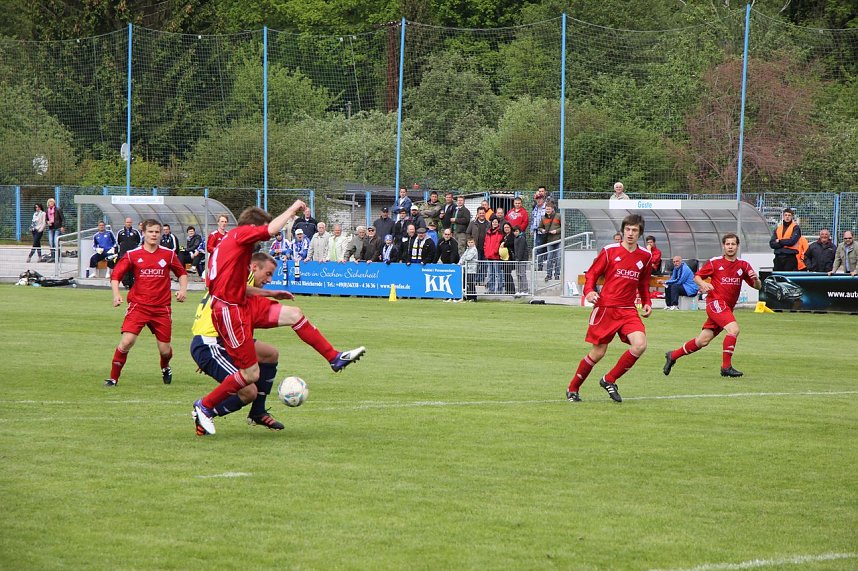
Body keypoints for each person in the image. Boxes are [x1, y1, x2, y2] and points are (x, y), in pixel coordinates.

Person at [192, 202, 366, 436]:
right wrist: (293, 209)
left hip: (240, 304)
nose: (261, 238)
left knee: (293, 316)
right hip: (229, 311)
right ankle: (204, 406)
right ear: (251, 227)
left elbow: (235, 288)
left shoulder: (231, 247)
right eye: (259, 230)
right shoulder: (239, 235)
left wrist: (271, 293)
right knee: (250, 376)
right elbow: (271, 230)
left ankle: (333, 357)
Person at [566, 214, 652, 403]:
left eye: (634, 230)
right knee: (598, 352)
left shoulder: (646, 256)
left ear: (640, 233)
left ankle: (609, 379)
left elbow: (643, 282)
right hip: (606, 308)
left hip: (628, 309)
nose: (630, 233)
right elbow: (592, 274)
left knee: (640, 344)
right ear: (623, 231)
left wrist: (647, 302)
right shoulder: (609, 251)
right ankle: (573, 388)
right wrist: (589, 291)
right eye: (627, 229)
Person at [663, 233, 761, 378]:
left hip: (727, 308)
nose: (730, 247)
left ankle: (673, 355)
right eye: (727, 244)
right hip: (716, 303)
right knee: (734, 329)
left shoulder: (743, 265)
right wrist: (703, 284)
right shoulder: (715, 262)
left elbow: (758, 287)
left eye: (733, 244)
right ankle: (726, 367)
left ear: (737, 246)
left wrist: (757, 280)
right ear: (723, 246)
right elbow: (697, 277)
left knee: (702, 340)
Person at [104, 219, 189, 387]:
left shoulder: (168, 254)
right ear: (143, 233)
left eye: (157, 232)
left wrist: (183, 290)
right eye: (150, 232)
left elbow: (182, 273)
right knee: (127, 341)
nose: (154, 235)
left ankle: (165, 367)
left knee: (165, 350)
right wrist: (116, 294)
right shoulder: (133, 254)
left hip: (162, 308)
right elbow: (116, 276)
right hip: (139, 306)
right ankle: (113, 379)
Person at [115, 217, 141, 289]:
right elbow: (117, 243)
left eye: (130, 222)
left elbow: (139, 242)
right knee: (125, 269)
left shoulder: (135, 232)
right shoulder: (120, 232)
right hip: (124, 253)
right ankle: (126, 283)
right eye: (127, 222)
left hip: (133, 254)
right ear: (125, 223)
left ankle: (132, 283)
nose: (128, 224)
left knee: (132, 269)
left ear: (131, 223)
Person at [539, 201, 561, 281]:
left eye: (549, 209)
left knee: (558, 258)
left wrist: (556, 231)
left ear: (552, 209)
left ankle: (557, 274)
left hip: (558, 240)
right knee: (549, 257)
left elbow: (564, 226)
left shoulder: (558, 216)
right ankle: (549, 274)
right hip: (549, 240)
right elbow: (540, 227)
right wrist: (542, 230)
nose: (547, 210)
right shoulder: (543, 218)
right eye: (546, 209)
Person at [483, 217, 503, 293]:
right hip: (489, 256)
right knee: (491, 273)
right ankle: (491, 289)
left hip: (495, 256)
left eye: (496, 222)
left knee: (498, 273)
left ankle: (499, 289)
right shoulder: (488, 232)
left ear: (498, 223)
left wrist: (495, 251)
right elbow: (485, 243)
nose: (494, 223)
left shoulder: (499, 232)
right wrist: (486, 252)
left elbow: (498, 242)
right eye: (493, 222)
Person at [530, 189, 547, 269]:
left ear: (543, 199)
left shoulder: (547, 207)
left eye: (540, 199)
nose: (539, 200)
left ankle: (549, 267)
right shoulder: (535, 209)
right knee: (538, 249)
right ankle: (540, 266)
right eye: (537, 199)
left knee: (548, 249)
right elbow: (533, 220)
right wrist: (531, 229)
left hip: (546, 232)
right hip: (537, 232)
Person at [500, 221, 516, 294]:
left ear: (510, 228)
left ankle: (511, 290)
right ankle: (507, 289)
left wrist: (505, 244)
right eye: (505, 227)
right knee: (505, 274)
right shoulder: (504, 236)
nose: (506, 229)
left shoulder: (512, 236)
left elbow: (512, 243)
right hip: (504, 258)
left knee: (508, 273)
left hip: (509, 258)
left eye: (507, 227)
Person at [513, 226, 529, 295]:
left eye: (516, 231)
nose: (515, 233)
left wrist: (519, 258)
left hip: (522, 260)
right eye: (514, 231)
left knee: (522, 274)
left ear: (519, 231)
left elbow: (521, 249)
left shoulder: (522, 238)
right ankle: (519, 290)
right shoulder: (515, 238)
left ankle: (525, 290)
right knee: (518, 275)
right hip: (517, 260)